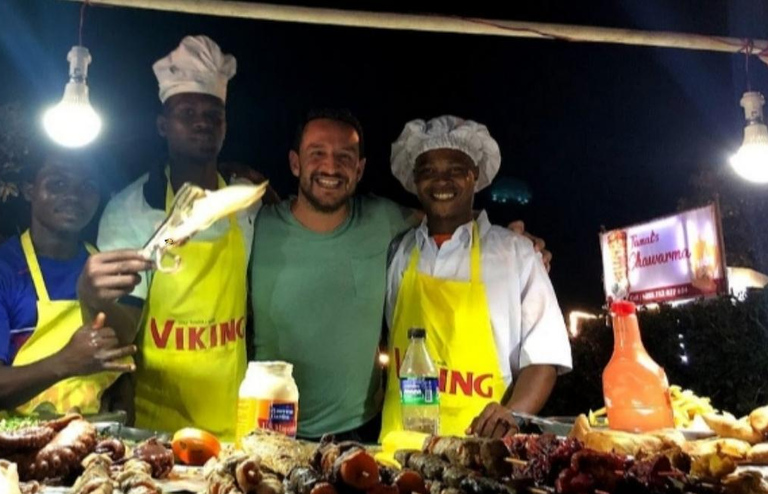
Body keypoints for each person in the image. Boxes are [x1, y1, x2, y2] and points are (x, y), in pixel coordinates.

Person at [250, 109, 550, 441]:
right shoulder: (257, 225)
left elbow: (446, 214)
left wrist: (511, 240)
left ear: (360, 168)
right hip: (278, 428)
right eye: (317, 153)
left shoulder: (386, 223)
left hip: (384, 437)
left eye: (345, 156)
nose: (331, 167)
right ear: (295, 162)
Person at [97, 35, 260, 438]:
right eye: (186, 111)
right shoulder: (130, 210)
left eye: (214, 113)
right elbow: (119, 334)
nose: (203, 121)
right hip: (158, 429)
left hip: (235, 425)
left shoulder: (247, 203)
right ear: (162, 125)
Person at [379, 115, 572, 440]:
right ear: (414, 180)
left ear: (475, 175)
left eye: (455, 169)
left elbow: (544, 358)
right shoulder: (398, 253)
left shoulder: (516, 254)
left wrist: (512, 413)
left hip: (482, 456)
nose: (441, 181)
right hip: (398, 455)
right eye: (428, 171)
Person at [0, 143, 148, 415]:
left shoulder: (105, 265)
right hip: (15, 449)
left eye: (88, 187)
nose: (73, 197)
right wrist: (65, 362)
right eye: (57, 184)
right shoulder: (6, 269)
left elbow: (123, 356)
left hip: (95, 442)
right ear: (29, 189)